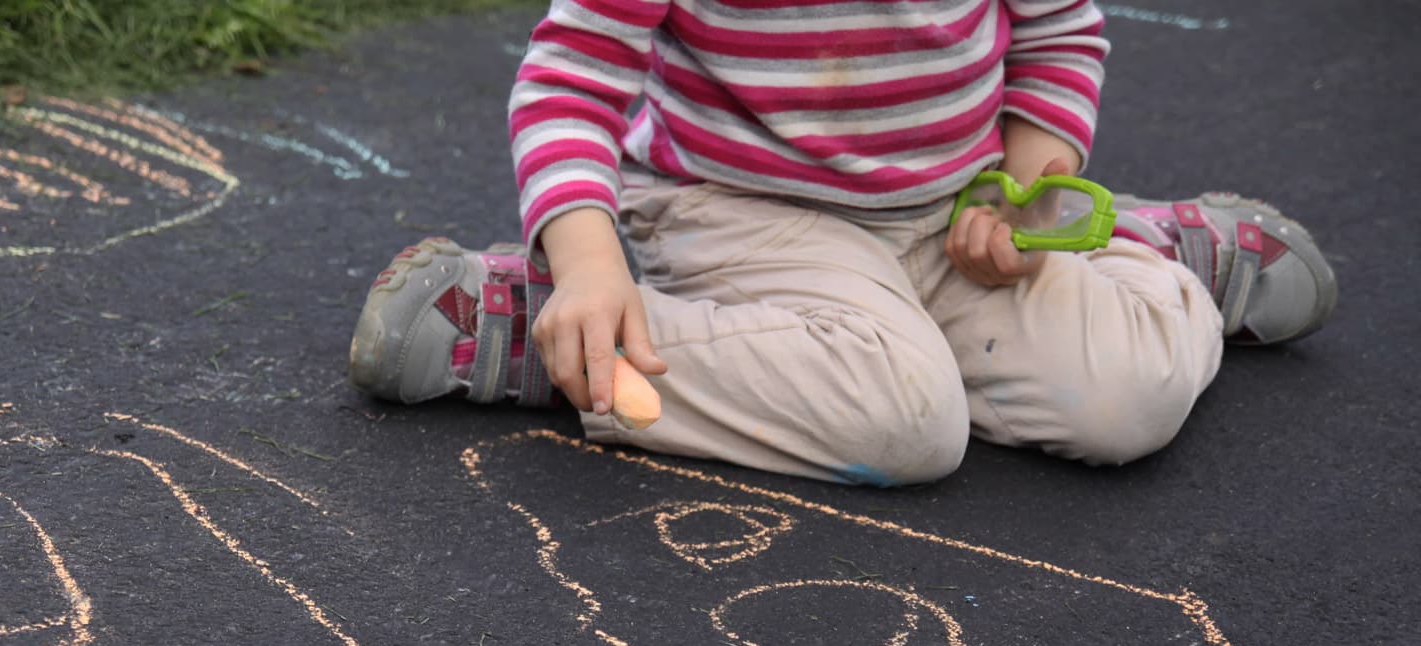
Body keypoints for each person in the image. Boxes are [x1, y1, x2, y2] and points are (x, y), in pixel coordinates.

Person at [348, 1, 1336, 486]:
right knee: (908, 424)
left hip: (950, 214)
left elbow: (1057, 41)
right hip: (736, 208)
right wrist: (589, 257)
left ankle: (1144, 252)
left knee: (1125, 400)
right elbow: (573, 79)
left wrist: (1034, 198)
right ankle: (555, 334)